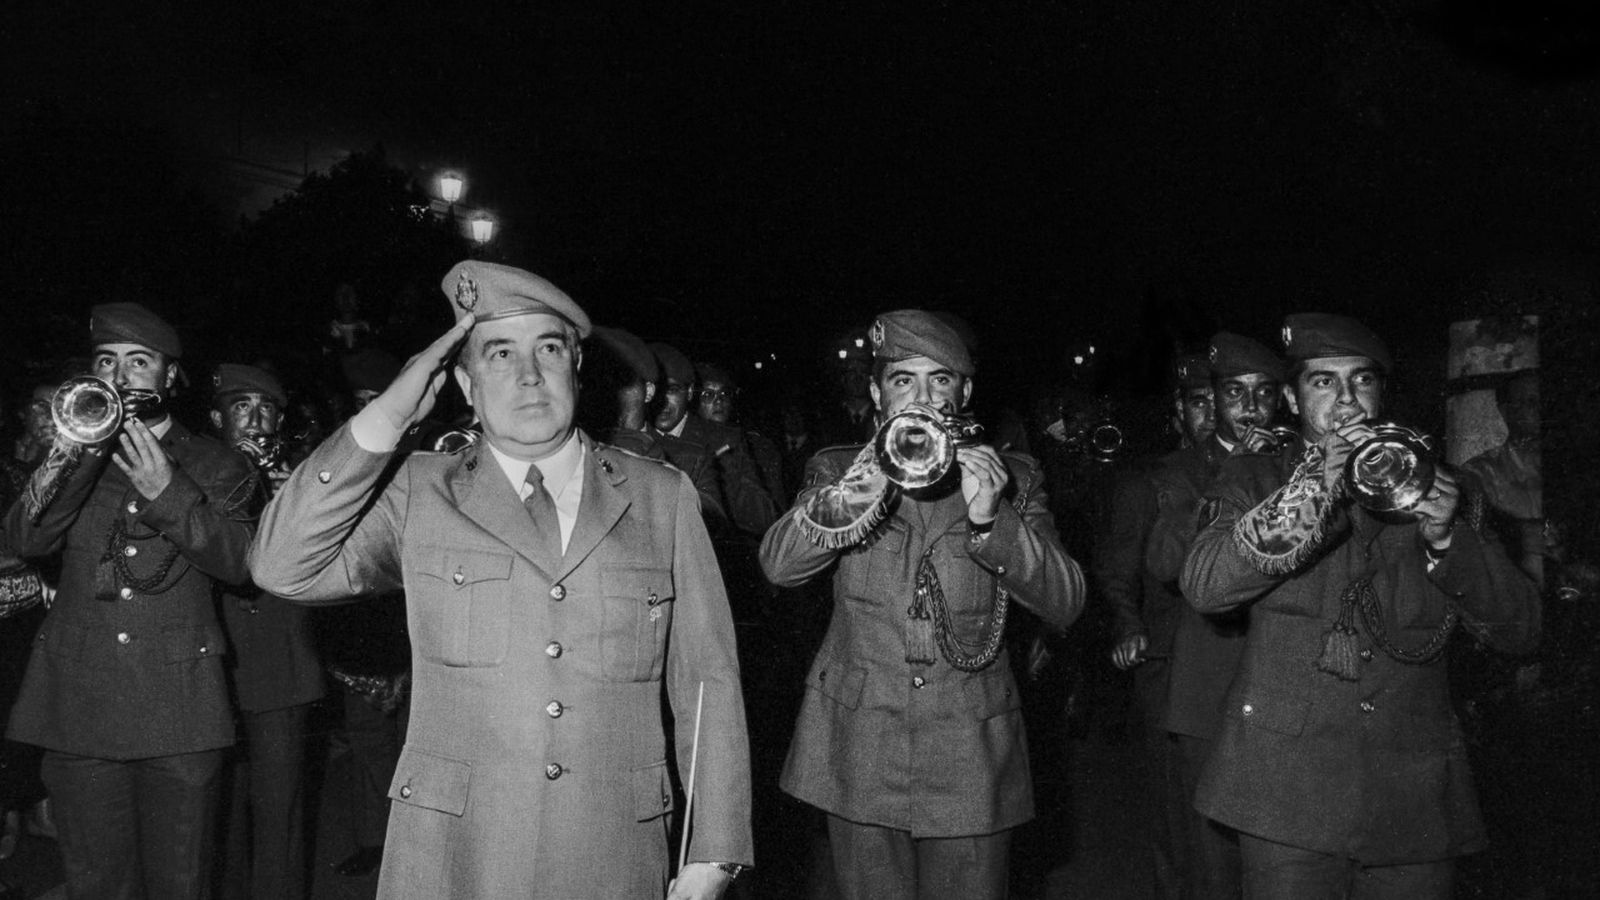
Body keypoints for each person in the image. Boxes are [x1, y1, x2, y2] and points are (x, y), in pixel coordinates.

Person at [252, 260, 752, 899]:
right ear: (463, 381)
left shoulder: (661, 499)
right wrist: (387, 416)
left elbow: (709, 679)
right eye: (498, 353)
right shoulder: (418, 491)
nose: (528, 374)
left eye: (548, 347)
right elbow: (280, 566)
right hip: (456, 856)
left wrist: (714, 852)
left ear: (576, 365)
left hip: (611, 853)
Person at [1180, 313, 1540, 898]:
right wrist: (1317, 486)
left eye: (1362, 382)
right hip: (1285, 797)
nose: (1347, 402)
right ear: (1294, 402)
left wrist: (1451, 538)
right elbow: (1205, 585)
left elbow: (1523, 630)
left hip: (1414, 798)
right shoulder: (1254, 475)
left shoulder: (1444, 484)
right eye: (1324, 383)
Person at [760, 309, 1085, 900]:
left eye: (940, 380)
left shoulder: (1016, 475)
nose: (923, 397)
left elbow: (1067, 599)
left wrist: (995, 518)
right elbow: (780, 565)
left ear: (964, 392)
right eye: (902, 380)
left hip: (971, 753)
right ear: (876, 391)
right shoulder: (836, 467)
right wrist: (871, 478)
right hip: (859, 745)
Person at [2, 303, 258, 900]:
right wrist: (78, 452)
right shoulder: (72, 455)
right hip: (79, 705)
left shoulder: (219, 463)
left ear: (170, 377)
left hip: (180, 708)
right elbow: (24, 538)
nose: (120, 376)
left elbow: (242, 564)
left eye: (138, 362)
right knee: (96, 882)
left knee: (181, 881)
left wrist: (168, 492)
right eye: (106, 362)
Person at [209, 364, 326, 900]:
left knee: (278, 813)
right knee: (215, 815)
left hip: (281, 668)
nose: (255, 420)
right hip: (212, 668)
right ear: (217, 419)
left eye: (266, 409)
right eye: (241, 407)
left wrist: (293, 506)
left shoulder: (305, 478)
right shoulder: (192, 474)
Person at [650, 342, 777, 537]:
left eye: (672, 390)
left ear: (690, 392)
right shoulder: (636, 436)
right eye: (655, 390)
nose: (661, 400)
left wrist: (724, 471)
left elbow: (764, 519)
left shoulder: (723, 440)